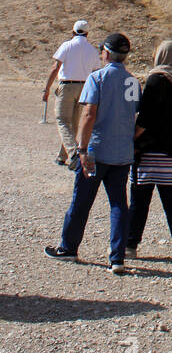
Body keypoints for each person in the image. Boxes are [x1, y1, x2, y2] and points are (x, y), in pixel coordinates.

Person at [44, 32, 140, 275]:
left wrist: (82, 149)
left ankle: (69, 248)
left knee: (81, 200)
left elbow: (88, 115)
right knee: (119, 204)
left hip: (97, 150)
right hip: (122, 152)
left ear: (106, 53)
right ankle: (116, 258)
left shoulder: (97, 78)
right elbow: (133, 114)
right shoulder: (132, 81)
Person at [127, 41, 172, 264]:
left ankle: (130, 245)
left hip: (150, 150)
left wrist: (132, 136)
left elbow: (146, 117)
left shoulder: (156, 79)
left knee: (139, 200)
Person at [42, 19, 101, 168]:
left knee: (62, 120)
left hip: (67, 86)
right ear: (87, 33)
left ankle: (74, 153)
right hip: (84, 88)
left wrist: (47, 88)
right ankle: (62, 157)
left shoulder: (67, 46)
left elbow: (56, 67)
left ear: (73, 32)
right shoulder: (92, 50)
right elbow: (96, 73)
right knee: (73, 124)